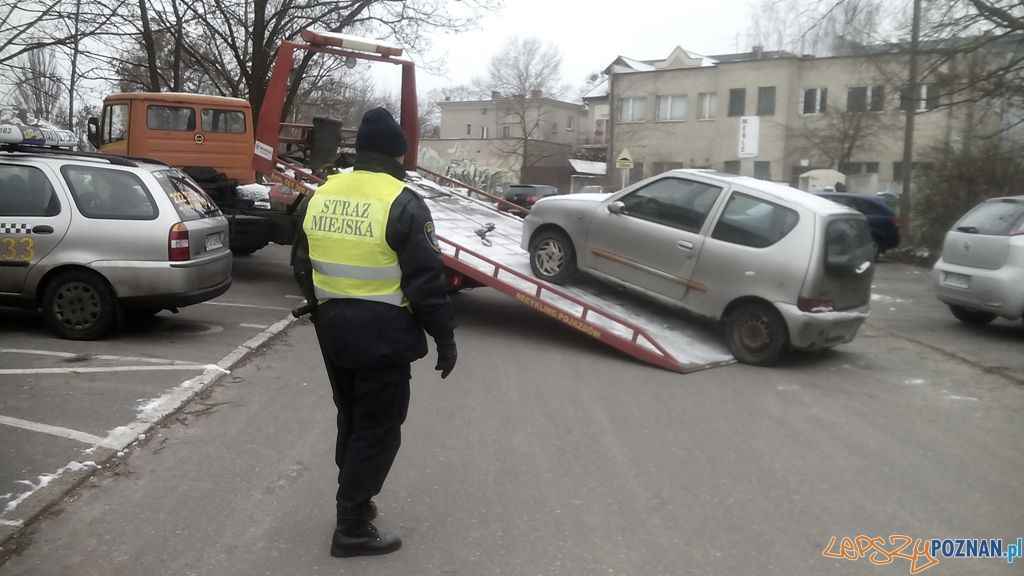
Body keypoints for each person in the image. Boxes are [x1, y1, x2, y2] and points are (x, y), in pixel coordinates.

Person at [291, 107, 458, 558]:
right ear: (398, 153)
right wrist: (444, 337)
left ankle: (355, 498)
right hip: (383, 335)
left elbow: (301, 263)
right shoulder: (402, 202)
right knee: (379, 427)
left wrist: (323, 306)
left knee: (351, 416)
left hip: (334, 330)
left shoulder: (321, 194)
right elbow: (426, 283)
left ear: (361, 150)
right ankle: (351, 525)